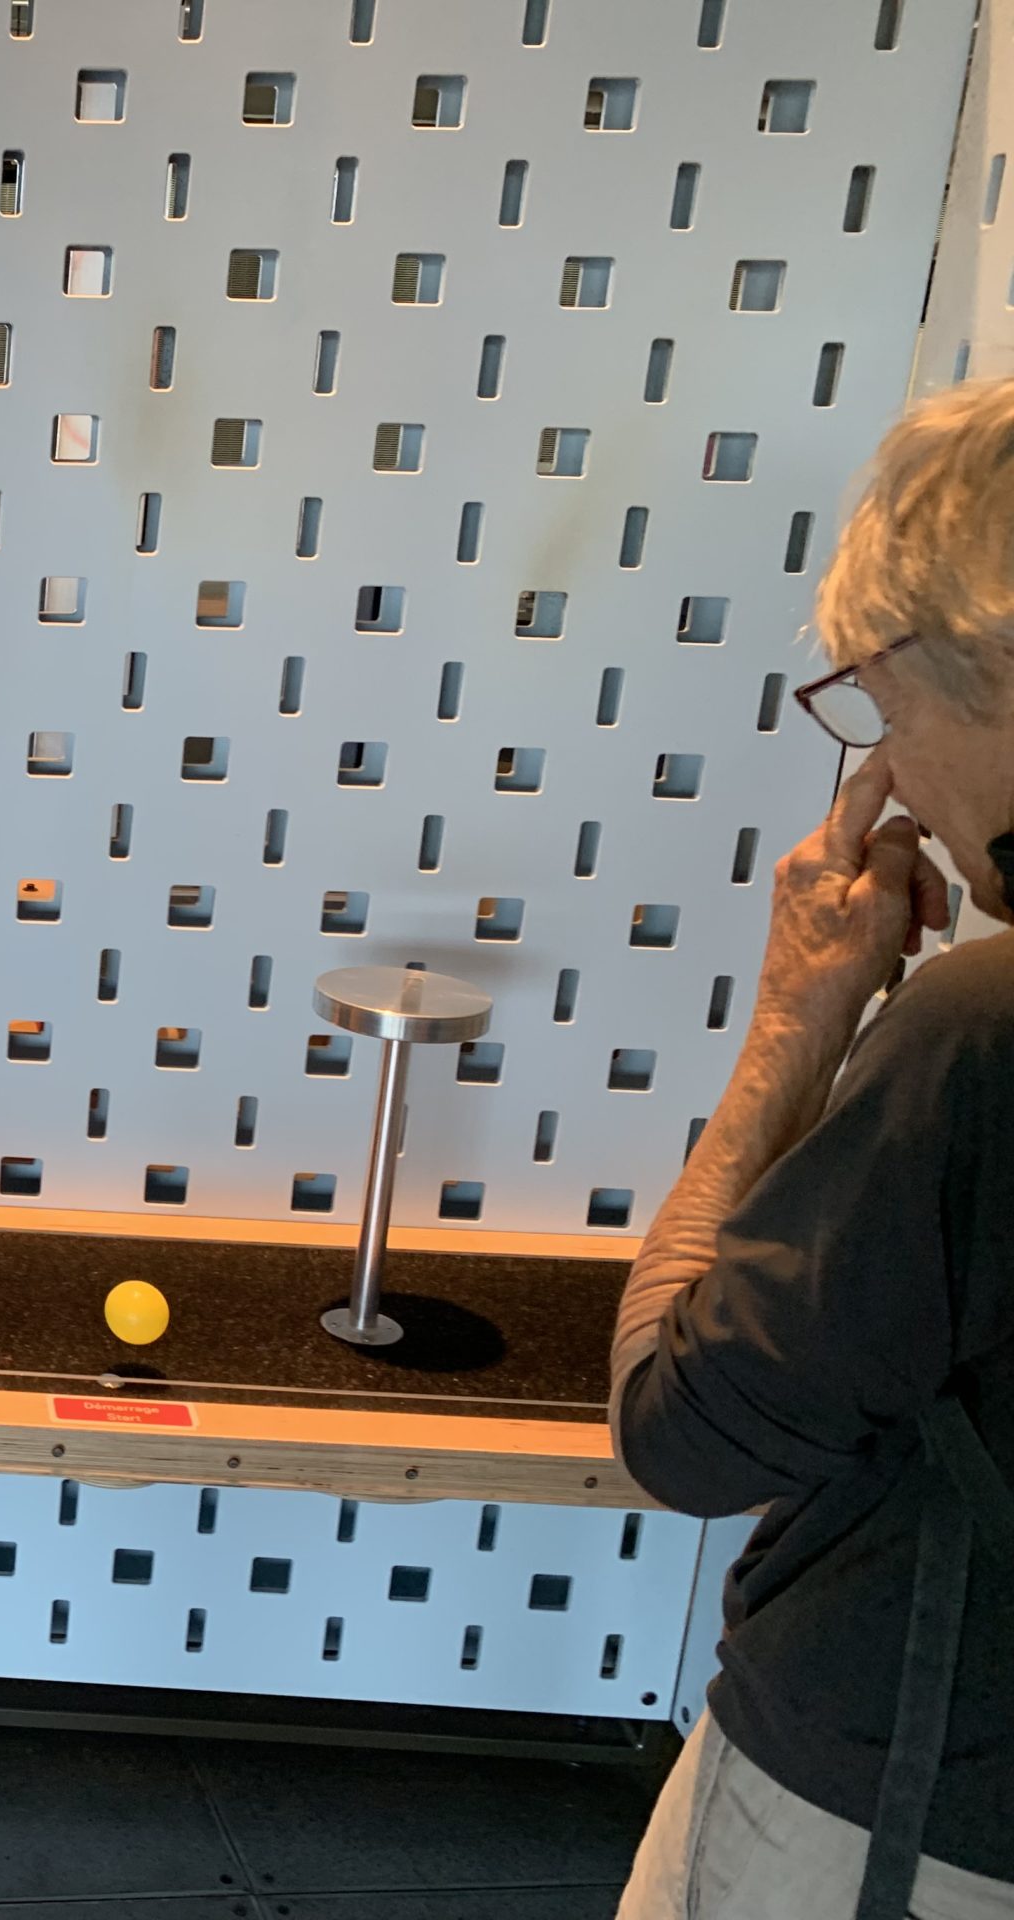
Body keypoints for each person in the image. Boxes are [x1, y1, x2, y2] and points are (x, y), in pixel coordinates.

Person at [610, 381, 1014, 1920]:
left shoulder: (981, 1035)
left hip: (891, 1819)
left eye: (888, 713)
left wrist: (796, 1016)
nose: (891, 771)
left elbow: (683, 1426)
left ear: (984, 671)